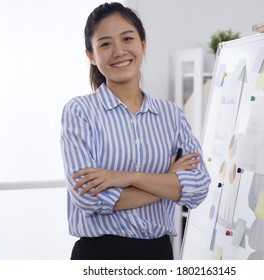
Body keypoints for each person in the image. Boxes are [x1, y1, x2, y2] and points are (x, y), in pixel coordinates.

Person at [60, 2, 211, 260]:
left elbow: (197, 187)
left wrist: (124, 177)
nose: (119, 51)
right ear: (91, 55)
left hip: (159, 253)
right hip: (100, 255)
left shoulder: (171, 116)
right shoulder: (79, 112)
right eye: (105, 44)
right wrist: (167, 179)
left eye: (127, 39)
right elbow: (89, 200)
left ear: (143, 44)